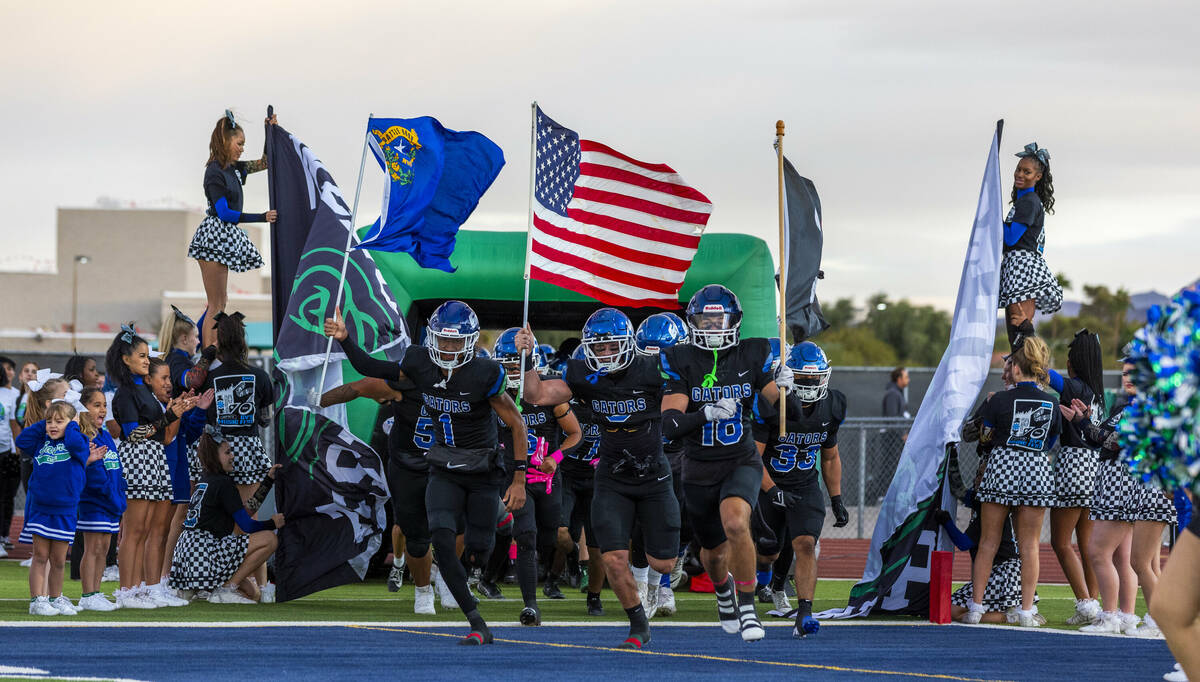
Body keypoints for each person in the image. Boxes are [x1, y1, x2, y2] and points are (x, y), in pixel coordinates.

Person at [325, 300, 528, 645]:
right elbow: (366, 373)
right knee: (434, 537)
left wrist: (519, 477)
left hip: (478, 466)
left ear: (471, 341)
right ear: (431, 339)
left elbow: (516, 420)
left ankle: (459, 578)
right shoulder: (417, 365)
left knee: (479, 544)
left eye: (455, 342)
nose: (448, 349)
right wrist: (343, 340)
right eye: (443, 341)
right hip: (436, 465)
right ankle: (456, 607)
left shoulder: (485, 373)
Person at [517, 308, 680, 649]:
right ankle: (638, 625)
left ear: (628, 344)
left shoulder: (652, 369)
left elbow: (688, 389)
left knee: (663, 561)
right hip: (612, 475)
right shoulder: (582, 373)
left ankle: (660, 578)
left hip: (653, 473)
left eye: (611, 346)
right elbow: (535, 395)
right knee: (611, 558)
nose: (605, 353)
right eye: (599, 347)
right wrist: (528, 356)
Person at [660, 284, 788, 643]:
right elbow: (670, 424)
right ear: (694, 321)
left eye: (720, 318)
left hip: (740, 459)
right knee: (713, 556)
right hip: (698, 467)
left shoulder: (753, 352)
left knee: (736, 522)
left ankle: (747, 607)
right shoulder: (680, 358)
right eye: (707, 318)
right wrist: (706, 414)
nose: (714, 326)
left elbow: (779, 414)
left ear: (734, 321)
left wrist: (785, 392)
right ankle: (723, 591)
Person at [751, 341, 850, 638]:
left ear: (825, 376)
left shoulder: (833, 404)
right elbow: (752, 457)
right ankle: (765, 580)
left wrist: (836, 498)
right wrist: (771, 491)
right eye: (803, 378)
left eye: (815, 378)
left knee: (804, 544)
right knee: (769, 548)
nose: (809, 384)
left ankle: (803, 612)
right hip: (769, 482)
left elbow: (830, 455)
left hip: (806, 484)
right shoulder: (770, 403)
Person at [320, 376, 438, 615]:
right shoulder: (392, 403)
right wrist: (316, 401)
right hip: (400, 469)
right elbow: (364, 385)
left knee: (442, 522)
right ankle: (398, 564)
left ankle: (443, 575)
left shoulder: (437, 396)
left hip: (434, 467)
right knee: (403, 524)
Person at [967, 335, 1060, 627]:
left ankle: (975, 607)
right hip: (1036, 468)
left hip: (1002, 466)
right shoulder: (1052, 403)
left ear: (1016, 370)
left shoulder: (999, 399)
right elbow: (1051, 441)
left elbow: (984, 436)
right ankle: (1026, 610)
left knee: (988, 542)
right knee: (1030, 545)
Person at [492, 328, 581, 625]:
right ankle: (530, 605)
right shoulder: (494, 397)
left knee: (548, 537)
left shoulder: (547, 393)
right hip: (516, 478)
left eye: (518, 364)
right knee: (526, 536)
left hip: (547, 480)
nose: (513, 370)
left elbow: (574, 433)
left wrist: (555, 458)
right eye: (508, 365)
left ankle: (565, 561)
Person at [108, 326, 197, 609]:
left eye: (148, 356)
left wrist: (174, 413)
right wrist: (169, 415)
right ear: (125, 359)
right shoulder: (125, 392)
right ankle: (127, 591)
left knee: (145, 530)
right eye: (142, 356)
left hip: (154, 457)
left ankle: (143, 588)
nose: (147, 360)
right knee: (134, 530)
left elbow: (158, 434)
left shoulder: (142, 390)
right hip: (137, 459)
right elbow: (133, 433)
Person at [189, 110, 278, 349]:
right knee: (216, 304)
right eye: (239, 144)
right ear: (226, 141)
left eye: (243, 144)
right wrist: (262, 217)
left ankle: (207, 347)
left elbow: (265, 162)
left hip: (222, 236)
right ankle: (207, 355)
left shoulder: (235, 168)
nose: (241, 149)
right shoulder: (214, 172)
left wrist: (269, 130)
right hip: (213, 236)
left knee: (221, 301)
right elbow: (224, 213)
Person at [170, 428, 283, 603]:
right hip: (203, 554)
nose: (232, 456)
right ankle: (225, 590)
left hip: (188, 558)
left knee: (251, 593)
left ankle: (201, 589)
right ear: (215, 456)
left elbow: (245, 511)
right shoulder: (223, 483)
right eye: (227, 452)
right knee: (269, 539)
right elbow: (247, 526)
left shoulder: (206, 479)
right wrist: (272, 523)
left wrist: (267, 482)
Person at [17, 399, 107, 615]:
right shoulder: (41, 443)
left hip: (65, 510)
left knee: (58, 560)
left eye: (59, 421)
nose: (53, 426)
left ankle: (56, 598)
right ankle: (37, 600)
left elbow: (77, 444)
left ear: (72, 424)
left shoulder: (77, 443)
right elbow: (22, 439)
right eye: (49, 422)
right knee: (40, 556)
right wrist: (46, 422)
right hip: (40, 509)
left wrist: (73, 424)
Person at [633, 312, 691, 618]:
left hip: (685, 454)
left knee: (688, 516)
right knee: (647, 519)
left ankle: (676, 558)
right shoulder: (633, 377)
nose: (657, 366)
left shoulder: (694, 374)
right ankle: (657, 585)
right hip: (647, 453)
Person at [1046, 330, 1104, 625]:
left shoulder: (1077, 389)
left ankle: (1085, 602)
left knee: (1060, 541)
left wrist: (1026, 338)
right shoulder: (1099, 393)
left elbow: (1046, 375)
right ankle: (1091, 604)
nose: (1066, 362)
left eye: (1070, 357)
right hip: (1095, 471)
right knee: (1088, 543)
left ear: (1076, 361)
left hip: (1073, 469)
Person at [998, 142, 1062, 349]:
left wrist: (993, 221)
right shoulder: (1025, 201)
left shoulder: (1029, 202)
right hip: (1017, 266)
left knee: (1021, 331)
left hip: (1021, 268)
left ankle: (1029, 376)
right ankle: (1023, 373)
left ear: (1038, 176)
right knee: (1018, 334)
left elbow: (1010, 238)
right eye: (1018, 169)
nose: (1020, 174)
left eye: (1027, 171)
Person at [75, 387, 125, 611]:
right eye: (96, 405)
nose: (103, 409)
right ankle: (88, 594)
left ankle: (96, 591)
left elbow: (116, 468)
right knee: (93, 548)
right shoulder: (85, 436)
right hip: (95, 503)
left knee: (104, 549)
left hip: (111, 503)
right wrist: (111, 495)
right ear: (82, 409)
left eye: (104, 405)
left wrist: (119, 494)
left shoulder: (105, 434)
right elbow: (94, 476)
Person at [0, 357, 20, 554]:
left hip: (6, 452)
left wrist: (16, 449)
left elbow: (14, 424)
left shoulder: (12, 395)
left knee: (6, 496)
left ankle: (3, 535)